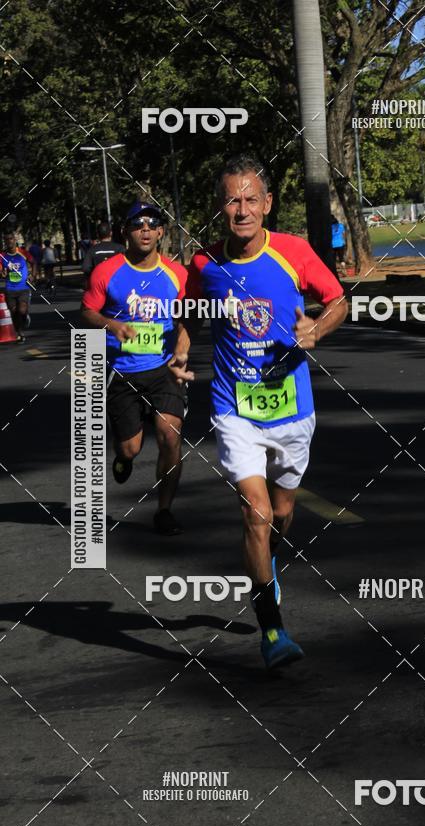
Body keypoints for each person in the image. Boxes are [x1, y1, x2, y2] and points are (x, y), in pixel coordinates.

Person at [187, 155, 348, 669]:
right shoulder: (204, 265)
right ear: (220, 208)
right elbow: (188, 307)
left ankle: (268, 563)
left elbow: (337, 298)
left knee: (280, 513)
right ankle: (272, 630)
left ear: (268, 203)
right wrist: (181, 349)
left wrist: (316, 330)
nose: (241, 209)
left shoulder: (294, 252)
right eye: (232, 200)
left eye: (250, 198)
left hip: (293, 407)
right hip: (234, 406)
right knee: (255, 512)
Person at [81, 200, 193, 535]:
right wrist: (111, 326)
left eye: (151, 224)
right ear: (125, 232)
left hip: (163, 369)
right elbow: (87, 311)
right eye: (137, 224)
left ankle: (164, 511)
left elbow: (189, 317)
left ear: (160, 232)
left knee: (170, 435)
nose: (145, 230)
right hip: (122, 370)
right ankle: (124, 457)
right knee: (130, 447)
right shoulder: (107, 272)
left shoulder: (177, 274)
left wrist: (182, 350)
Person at [1, 233, 31, 341]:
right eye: (7, 239)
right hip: (10, 289)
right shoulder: (2, 256)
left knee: (21, 311)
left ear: (15, 240)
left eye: (11, 238)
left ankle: (25, 316)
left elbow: (33, 262)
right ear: (5, 241)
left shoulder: (23, 253)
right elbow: (2, 272)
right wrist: (3, 274)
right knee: (14, 312)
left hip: (23, 288)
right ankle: (20, 332)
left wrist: (33, 275)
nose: (9, 241)